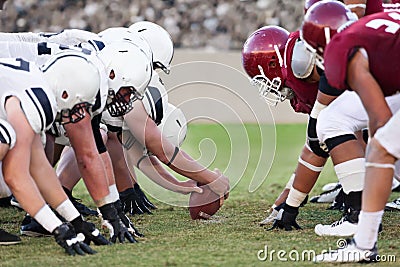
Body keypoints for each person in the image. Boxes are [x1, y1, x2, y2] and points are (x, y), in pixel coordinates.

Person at [300, 1, 400, 262]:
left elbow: (380, 117)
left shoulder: (342, 47)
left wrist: (377, 166)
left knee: (380, 150)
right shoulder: (377, 23)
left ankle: (364, 245)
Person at [0, 53, 111, 254]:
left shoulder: (35, 86)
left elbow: (41, 169)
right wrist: (56, 228)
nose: (81, 114)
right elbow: (15, 176)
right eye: (80, 106)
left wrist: (76, 222)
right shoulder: (36, 100)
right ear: (65, 93)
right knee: (4, 142)